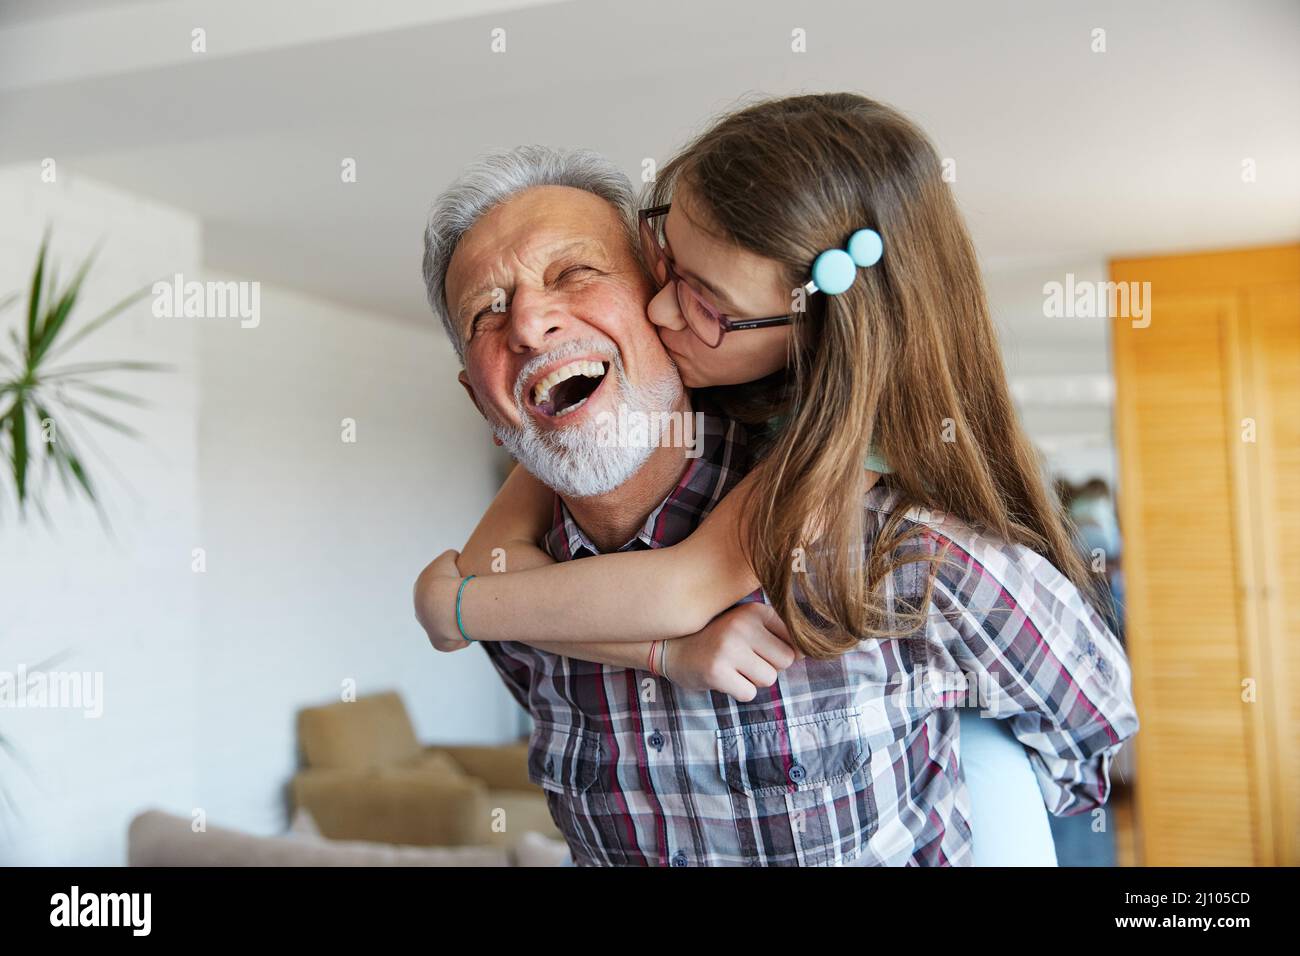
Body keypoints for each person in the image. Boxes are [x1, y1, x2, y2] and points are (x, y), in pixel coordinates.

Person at [417, 94, 1137, 866]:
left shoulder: (876, 527)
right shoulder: (529, 586)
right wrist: (639, 647)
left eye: (577, 273)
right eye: (488, 312)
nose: (528, 323)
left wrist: (994, 797)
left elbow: (1092, 720)